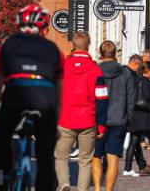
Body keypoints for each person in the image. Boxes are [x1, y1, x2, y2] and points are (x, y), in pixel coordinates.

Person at [0, 4, 64, 191]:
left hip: (15, 96)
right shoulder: (54, 50)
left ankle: (2, 179)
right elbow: (59, 92)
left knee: (2, 140)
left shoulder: (6, 46)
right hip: (45, 100)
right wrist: (56, 124)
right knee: (45, 156)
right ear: (44, 28)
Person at [55, 32, 109, 191]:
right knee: (85, 160)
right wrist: (101, 126)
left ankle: (64, 183)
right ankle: (82, 189)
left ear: (73, 45)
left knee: (61, 156)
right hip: (88, 119)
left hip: (65, 119)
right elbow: (102, 99)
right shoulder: (96, 70)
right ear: (88, 45)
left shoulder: (62, 67)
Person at [93, 41, 136, 191]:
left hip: (97, 121)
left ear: (100, 53)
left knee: (96, 156)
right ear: (115, 53)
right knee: (113, 158)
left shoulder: (94, 70)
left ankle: (98, 188)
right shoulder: (125, 72)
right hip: (119, 120)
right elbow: (131, 98)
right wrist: (129, 120)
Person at [123, 54, 150, 176]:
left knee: (134, 140)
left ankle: (141, 165)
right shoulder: (128, 74)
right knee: (133, 140)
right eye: (139, 67)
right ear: (134, 64)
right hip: (129, 110)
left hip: (128, 110)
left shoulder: (128, 73)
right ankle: (128, 167)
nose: (139, 70)